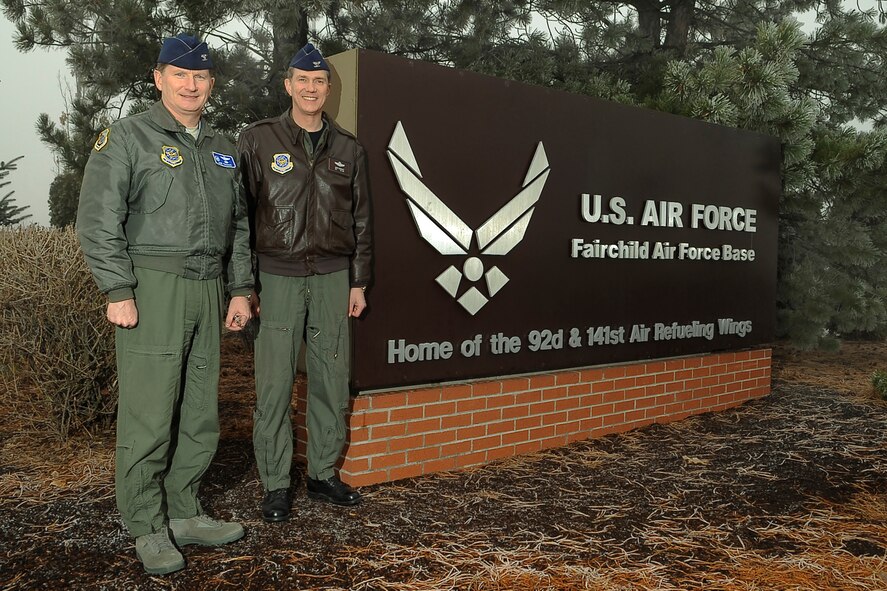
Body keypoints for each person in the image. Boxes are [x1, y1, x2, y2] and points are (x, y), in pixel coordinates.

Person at [76, 33, 254, 575]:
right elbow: (98, 218)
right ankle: (146, 525)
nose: (191, 83)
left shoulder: (223, 147)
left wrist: (240, 287)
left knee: (201, 414)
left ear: (211, 84)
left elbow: (240, 225)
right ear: (159, 79)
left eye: (200, 76)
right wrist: (118, 290)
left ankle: (184, 511)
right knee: (149, 415)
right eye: (180, 74)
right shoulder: (128, 137)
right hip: (153, 286)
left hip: (208, 288)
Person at [237, 42, 372, 522]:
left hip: (334, 277)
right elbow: (241, 218)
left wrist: (359, 281)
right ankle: (275, 483)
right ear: (288, 85)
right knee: (273, 385)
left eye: (319, 82)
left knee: (331, 382)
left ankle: (322, 474)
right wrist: (242, 284)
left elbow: (362, 223)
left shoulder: (349, 149)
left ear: (327, 89)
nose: (311, 88)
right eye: (302, 80)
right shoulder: (259, 141)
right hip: (277, 278)